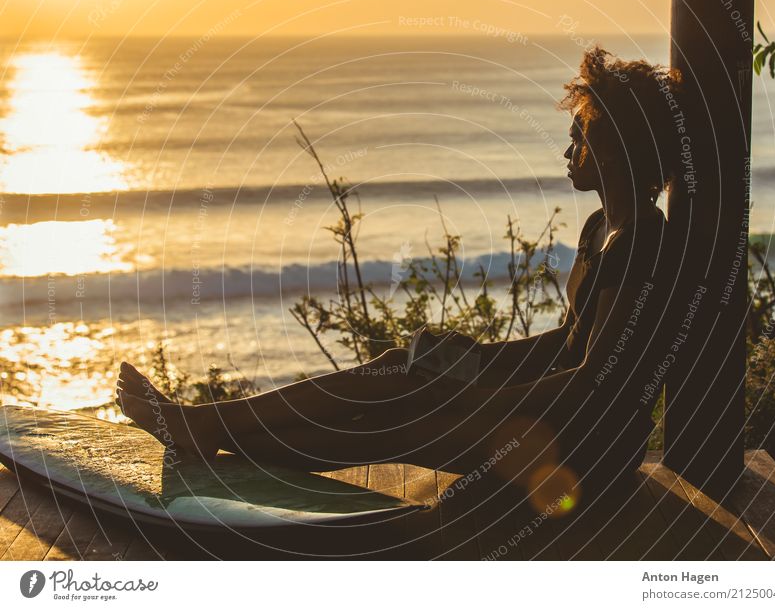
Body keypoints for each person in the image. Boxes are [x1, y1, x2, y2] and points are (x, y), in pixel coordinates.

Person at [116, 47, 682, 499]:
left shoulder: (641, 244)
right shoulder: (599, 227)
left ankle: (214, 433)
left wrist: (468, 397)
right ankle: (213, 425)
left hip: (589, 446)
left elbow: (597, 383)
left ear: (612, 145)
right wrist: (475, 359)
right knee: (401, 367)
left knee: (403, 417)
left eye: (580, 133)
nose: (568, 146)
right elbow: (566, 342)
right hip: (552, 409)